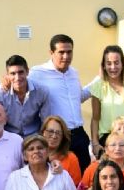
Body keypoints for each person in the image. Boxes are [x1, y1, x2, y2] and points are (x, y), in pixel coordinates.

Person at [29, 34, 92, 172]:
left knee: (83, 177)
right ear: (51, 53)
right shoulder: (37, 73)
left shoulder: (74, 73)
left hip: (79, 133)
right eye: (61, 52)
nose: (66, 56)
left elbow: (78, 98)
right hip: (57, 136)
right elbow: (21, 90)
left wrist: (100, 81)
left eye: (69, 52)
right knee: (57, 176)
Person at [89, 45, 124, 158]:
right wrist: (95, 143)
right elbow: (95, 118)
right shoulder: (98, 86)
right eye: (109, 63)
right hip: (107, 140)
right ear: (104, 66)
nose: (113, 67)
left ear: (122, 64)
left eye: (116, 62)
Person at [0, 54, 48, 137]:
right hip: (9, 137)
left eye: (21, 72)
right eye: (13, 73)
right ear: (7, 75)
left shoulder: (41, 91)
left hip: (34, 137)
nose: (17, 78)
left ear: (27, 71)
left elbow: (46, 121)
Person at [41, 115, 81, 185]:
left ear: (63, 137)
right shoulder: (35, 154)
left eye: (58, 133)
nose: (54, 136)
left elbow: (76, 188)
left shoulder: (71, 158)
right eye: (50, 131)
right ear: (43, 132)